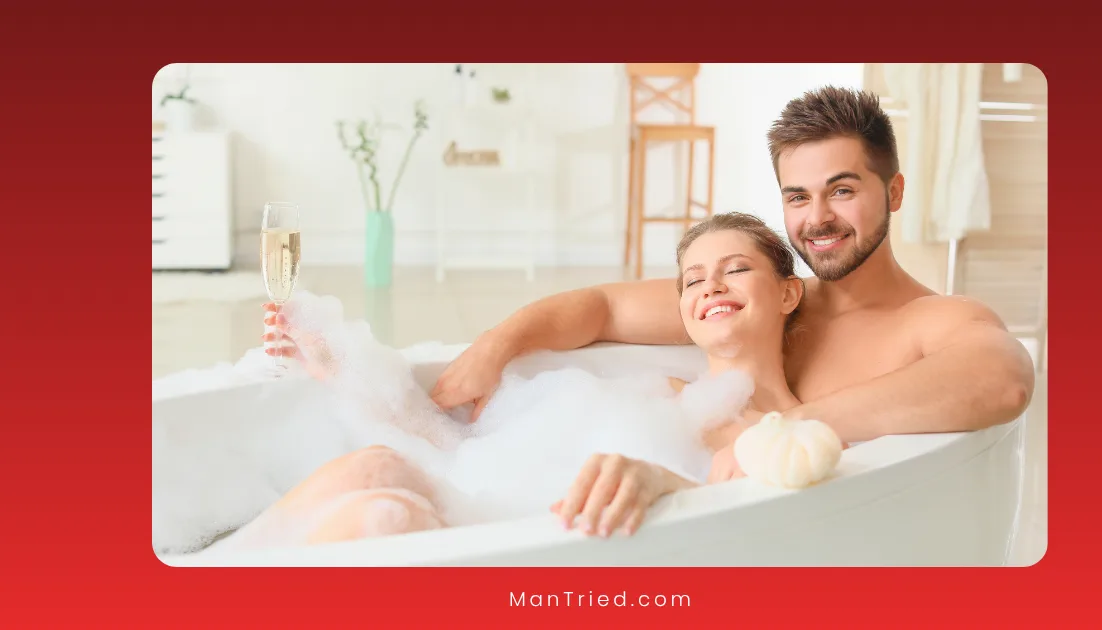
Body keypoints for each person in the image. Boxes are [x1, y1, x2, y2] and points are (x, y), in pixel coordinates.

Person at [429, 86, 1036, 447]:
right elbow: (603, 308)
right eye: (797, 196)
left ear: (895, 192)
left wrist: (778, 431)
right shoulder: (765, 300)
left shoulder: (928, 319)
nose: (817, 217)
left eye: (842, 190)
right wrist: (495, 345)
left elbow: (1002, 378)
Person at [215, 212, 821, 550]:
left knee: (388, 516)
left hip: (539, 561)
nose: (709, 286)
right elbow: (462, 454)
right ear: (684, 313)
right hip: (496, 515)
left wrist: (663, 482)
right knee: (374, 466)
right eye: (692, 280)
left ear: (790, 291)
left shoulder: (775, 436)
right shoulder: (654, 392)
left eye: (735, 270)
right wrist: (335, 367)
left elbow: (729, 539)